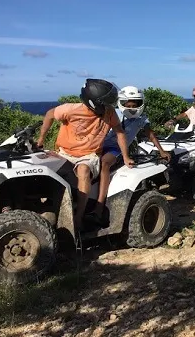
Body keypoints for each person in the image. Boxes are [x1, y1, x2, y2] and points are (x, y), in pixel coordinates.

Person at [36, 78, 135, 230]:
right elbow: (50, 114)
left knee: (83, 170)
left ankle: (78, 217)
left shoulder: (109, 113)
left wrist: (126, 157)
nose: (109, 106)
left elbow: (119, 132)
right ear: (94, 102)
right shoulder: (71, 109)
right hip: (64, 152)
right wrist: (41, 138)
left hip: (89, 155)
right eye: (105, 102)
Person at [90, 86, 171, 225]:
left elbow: (150, 135)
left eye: (135, 104)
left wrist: (161, 150)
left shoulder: (142, 119)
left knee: (104, 163)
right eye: (129, 104)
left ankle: (99, 205)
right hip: (100, 146)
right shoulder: (113, 113)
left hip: (117, 149)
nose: (132, 107)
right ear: (122, 103)